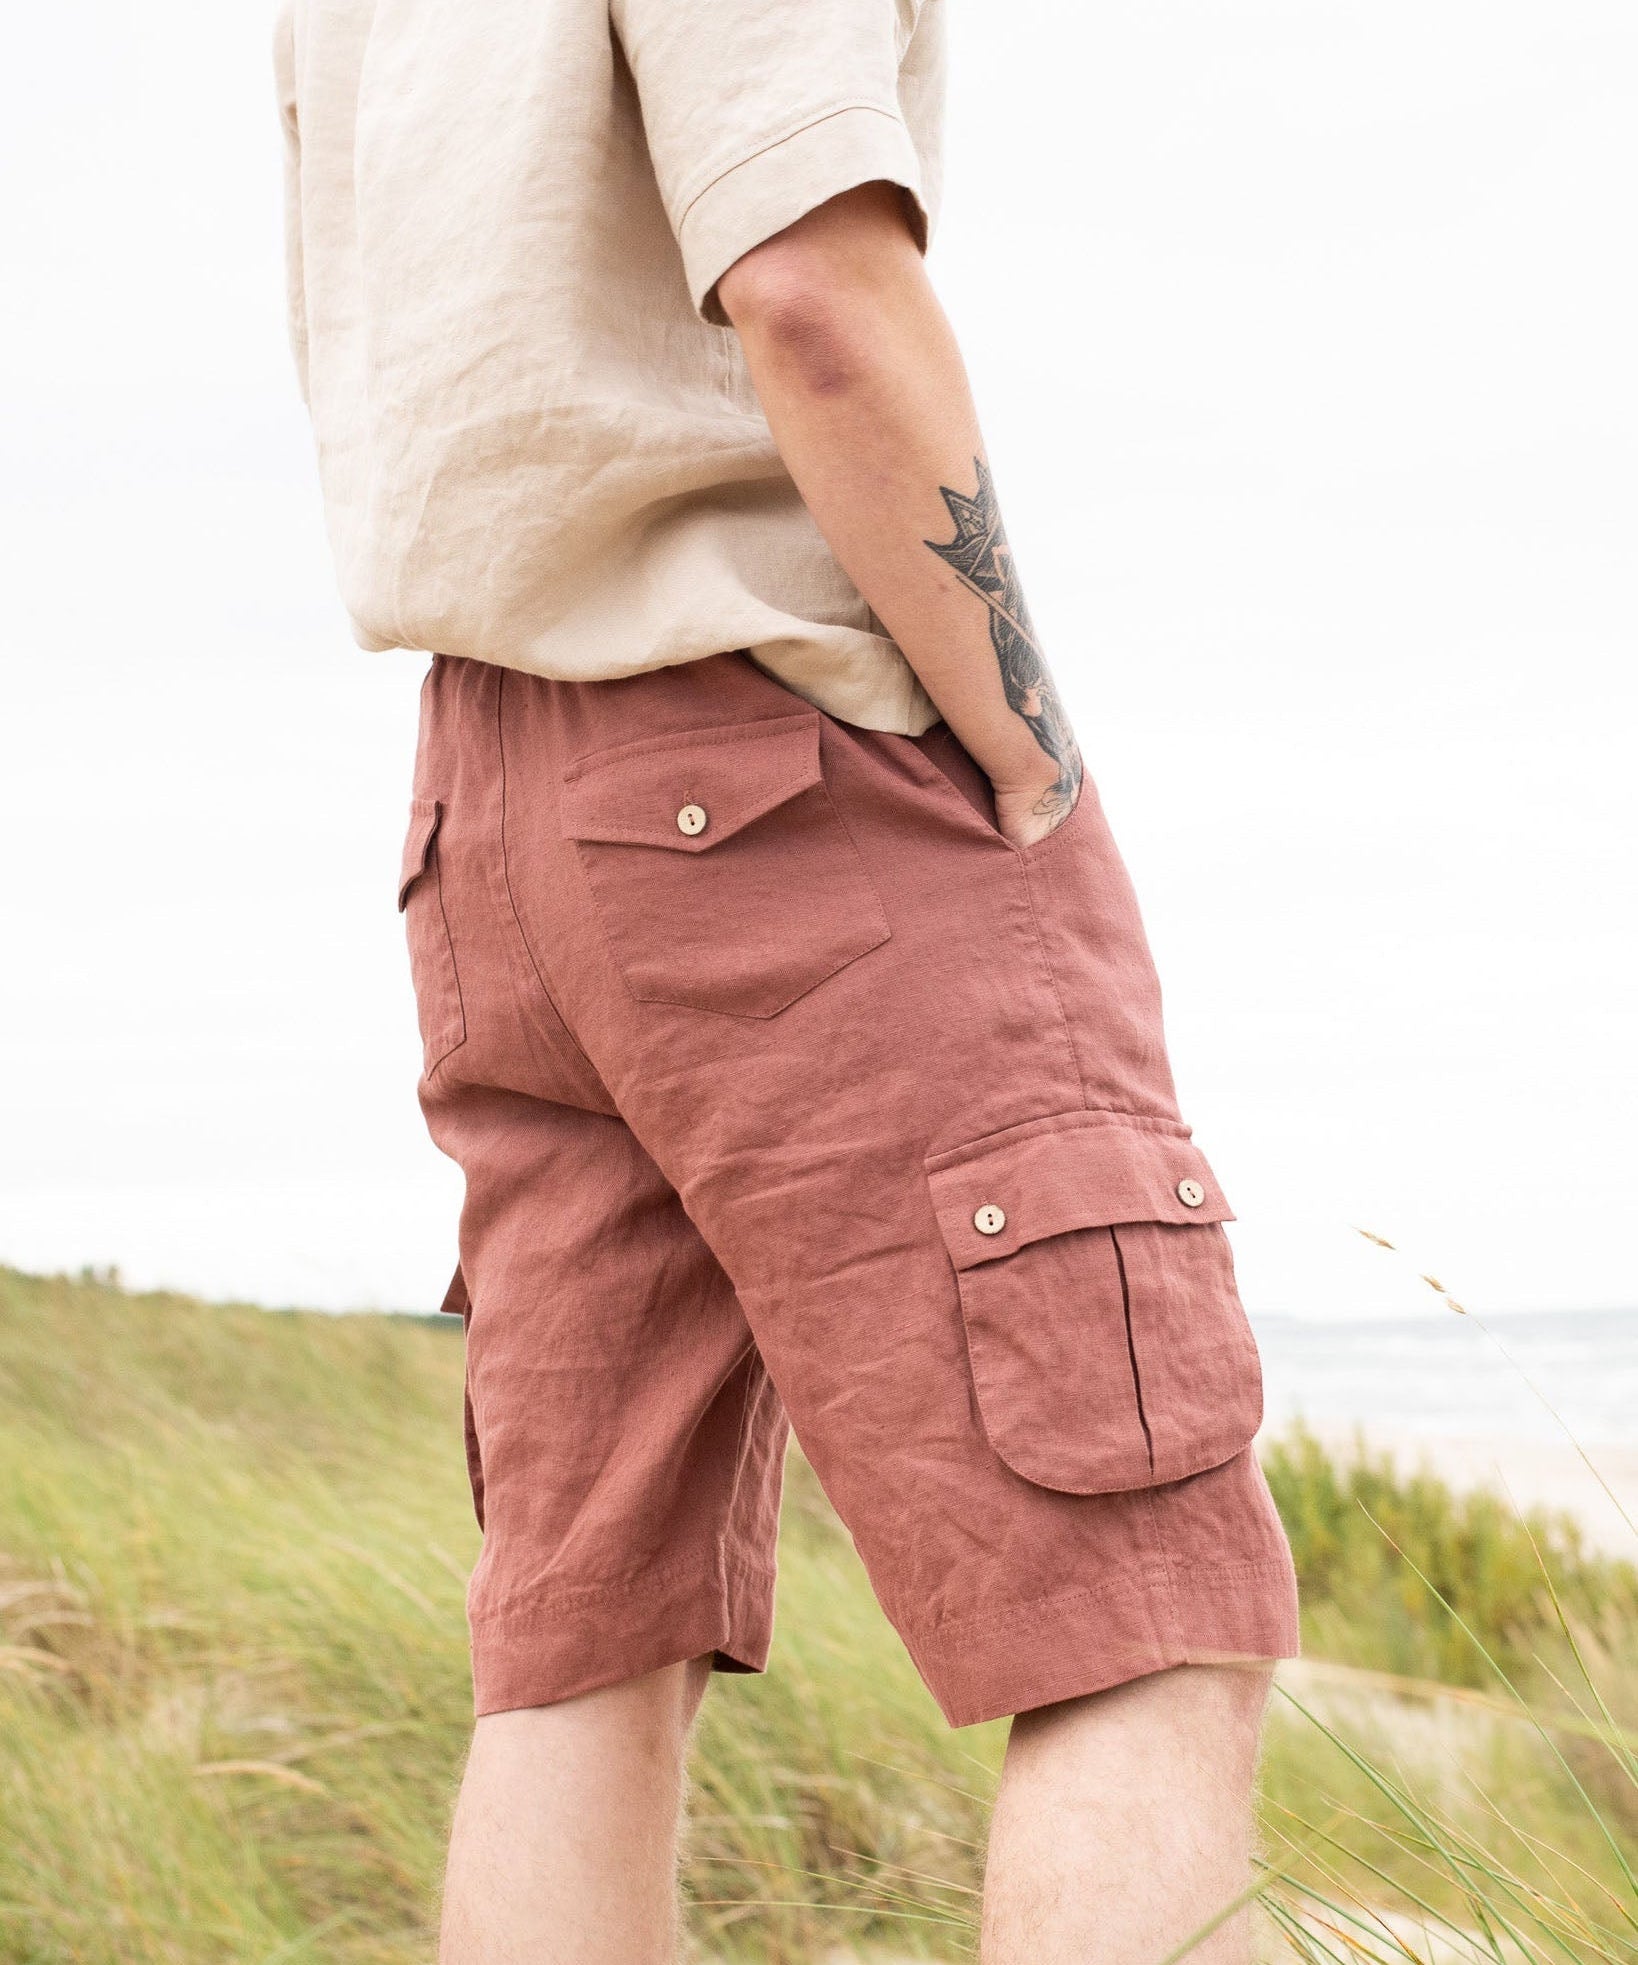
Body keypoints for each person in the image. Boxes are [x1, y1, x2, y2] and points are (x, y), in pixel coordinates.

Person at [275, 0, 1300, 1957]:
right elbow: (812, 290)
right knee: (1141, 1609)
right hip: (782, 779)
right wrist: (1023, 744)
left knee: (585, 1638)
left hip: (491, 813)